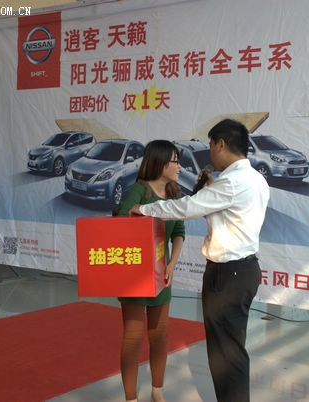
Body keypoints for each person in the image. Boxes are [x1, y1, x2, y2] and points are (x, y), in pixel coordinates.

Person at [129, 119, 270, 402]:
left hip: (227, 275)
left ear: (221, 144)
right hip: (244, 270)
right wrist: (211, 189)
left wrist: (143, 209)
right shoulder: (256, 179)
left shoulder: (231, 183)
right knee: (231, 348)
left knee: (225, 353)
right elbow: (224, 209)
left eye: (211, 145)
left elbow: (187, 207)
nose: (210, 153)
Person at [116, 139, 185, 402]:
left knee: (160, 336)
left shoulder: (175, 194)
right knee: (132, 338)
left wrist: (172, 264)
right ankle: (130, 397)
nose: (180, 166)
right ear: (160, 163)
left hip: (161, 275)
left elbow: (178, 232)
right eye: (175, 161)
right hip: (134, 275)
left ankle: (157, 390)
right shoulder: (140, 190)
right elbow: (122, 220)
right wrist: (139, 212)